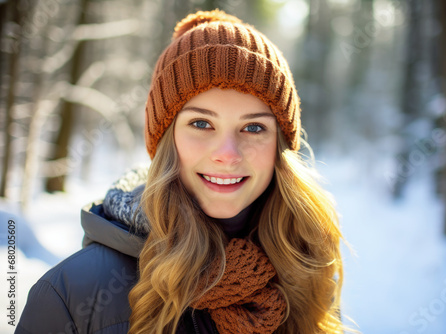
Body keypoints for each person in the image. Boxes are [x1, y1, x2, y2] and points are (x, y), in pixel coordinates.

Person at [16, 9, 346, 334]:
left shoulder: (306, 272)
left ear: (281, 146)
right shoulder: (71, 295)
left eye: (254, 128)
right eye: (201, 123)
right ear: (166, 140)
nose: (228, 154)